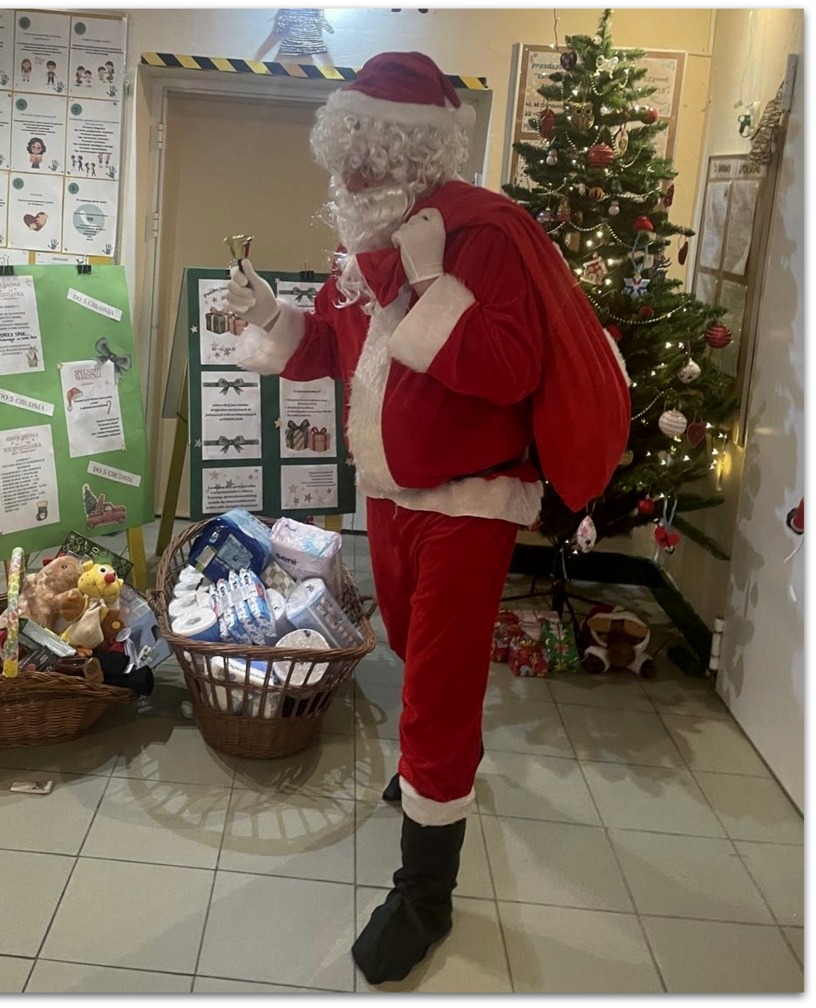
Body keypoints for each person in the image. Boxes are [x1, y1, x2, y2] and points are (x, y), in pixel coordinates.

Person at [223, 51, 630, 985]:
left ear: (410, 152)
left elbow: (509, 366)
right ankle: (433, 766)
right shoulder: (363, 240)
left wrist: (435, 282)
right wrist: (271, 313)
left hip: (470, 498)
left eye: (368, 152)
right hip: (390, 492)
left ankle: (425, 892)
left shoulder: (484, 234)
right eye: (344, 152)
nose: (351, 172)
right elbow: (333, 348)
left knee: (438, 685)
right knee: (411, 645)